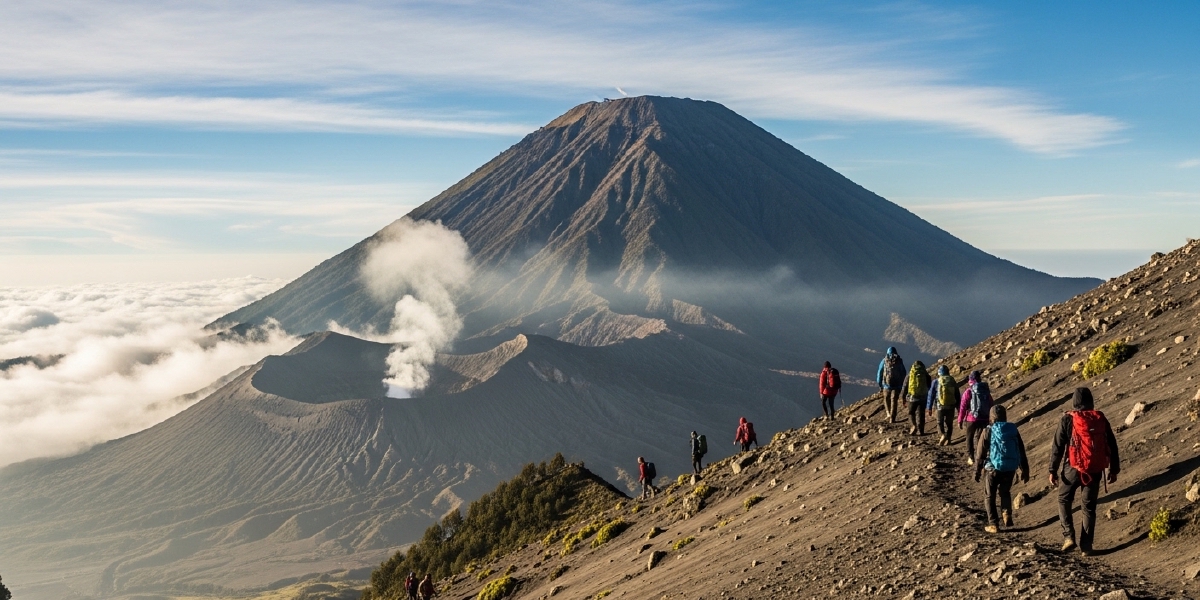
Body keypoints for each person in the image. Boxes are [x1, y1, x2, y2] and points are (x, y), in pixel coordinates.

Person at [1049, 387, 1120, 556]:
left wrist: (1052, 470)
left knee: (1063, 499)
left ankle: (1068, 537)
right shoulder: (1100, 418)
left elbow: (1057, 447)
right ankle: (1086, 546)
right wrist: (1114, 469)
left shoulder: (1067, 419)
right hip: (1094, 469)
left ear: (1074, 402)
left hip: (1072, 468)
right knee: (1088, 507)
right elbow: (1112, 444)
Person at [973, 405, 1029, 533]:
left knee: (989, 496)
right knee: (1005, 492)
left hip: (992, 469)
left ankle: (993, 524)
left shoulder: (988, 430)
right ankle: (1006, 513)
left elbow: (980, 453)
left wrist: (977, 470)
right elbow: (1021, 450)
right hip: (1010, 469)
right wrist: (1025, 470)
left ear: (991, 417)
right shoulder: (1012, 429)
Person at [957, 370, 992, 465]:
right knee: (981, 438)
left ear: (970, 379)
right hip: (984, 418)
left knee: (969, 437)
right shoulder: (985, 390)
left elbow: (963, 406)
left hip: (971, 419)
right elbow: (990, 404)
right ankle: (980, 457)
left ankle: (971, 457)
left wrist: (960, 420)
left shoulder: (968, 391)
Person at [926, 365, 959, 446]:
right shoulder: (952, 380)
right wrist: (959, 407)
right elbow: (957, 394)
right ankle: (949, 439)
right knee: (949, 423)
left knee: (939, 422)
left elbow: (931, 395)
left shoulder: (936, 381)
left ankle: (942, 435)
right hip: (951, 406)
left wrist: (929, 407)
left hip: (939, 406)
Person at [876, 347, 905, 422]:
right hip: (897, 385)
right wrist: (902, 384)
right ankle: (892, 417)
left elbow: (880, 373)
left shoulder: (884, 361)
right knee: (894, 400)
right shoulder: (899, 361)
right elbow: (903, 372)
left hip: (886, 385)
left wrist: (880, 385)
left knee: (886, 399)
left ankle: (888, 413)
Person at [904, 360, 931, 435]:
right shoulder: (925, 374)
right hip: (923, 397)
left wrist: (903, 397)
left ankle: (913, 425)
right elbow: (929, 385)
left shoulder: (910, 374)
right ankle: (921, 430)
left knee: (911, 412)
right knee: (921, 414)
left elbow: (905, 386)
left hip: (912, 398)